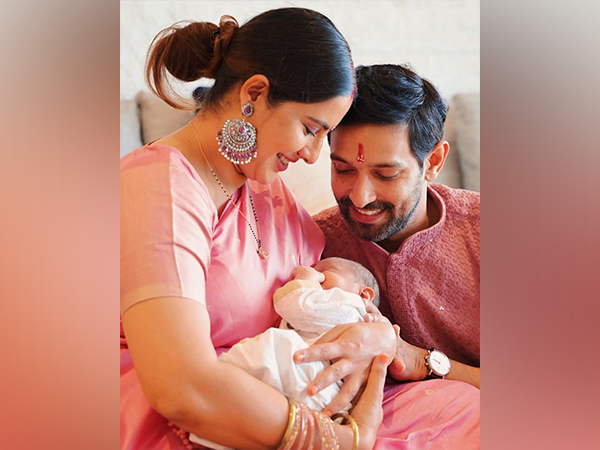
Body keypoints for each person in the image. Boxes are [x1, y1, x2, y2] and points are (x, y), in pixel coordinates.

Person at [121, 8, 394, 450]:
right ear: (255, 93)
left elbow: (323, 303)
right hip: (192, 423)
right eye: (310, 129)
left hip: (291, 395)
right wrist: (338, 442)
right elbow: (180, 386)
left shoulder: (263, 184)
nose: (312, 155)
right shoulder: (160, 186)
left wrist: (379, 336)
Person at [313, 64, 481, 392]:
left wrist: (417, 360)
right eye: (343, 169)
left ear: (432, 163)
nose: (360, 198)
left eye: (386, 174)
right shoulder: (314, 243)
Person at [191, 257, 389, 449]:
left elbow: (297, 306)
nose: (317, 274)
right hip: (320, 395)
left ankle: (209, 418)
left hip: (313, 380)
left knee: (270, 349)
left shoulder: (348, 305)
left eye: (324, 272)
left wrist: (306, 280)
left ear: (363, 294)